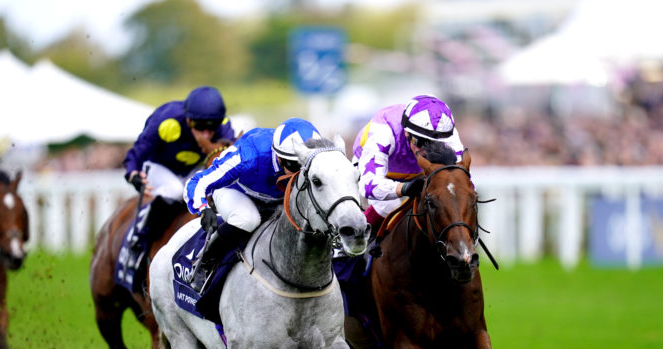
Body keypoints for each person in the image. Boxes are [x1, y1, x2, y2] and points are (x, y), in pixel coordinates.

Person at [185, 117, 321, 291]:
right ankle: (204, 265)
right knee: (248, 219)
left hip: (277, 197)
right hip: (236, 191)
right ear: (279, 159)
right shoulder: (248, 156)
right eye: (295, 166)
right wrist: (203, 209)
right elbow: (197, 182)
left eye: (306, 166)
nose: (301, 173)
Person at [122, 85, 236, 261]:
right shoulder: (166, 121)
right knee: (175, 190)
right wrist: (132, 173)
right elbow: (139, 151)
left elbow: (232, 154)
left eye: (212, 127)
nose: (206, 134)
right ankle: (141, 237)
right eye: (200, 126)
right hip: (159, 166)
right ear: (189, 120)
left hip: (191, 169)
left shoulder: (223, 125)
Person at [352, 94, 465, 233]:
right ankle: (349, 244)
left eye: (433, 144)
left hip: (415, 174)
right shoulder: (384, 131)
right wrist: (404, 188)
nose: (424, 151)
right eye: (420, 142)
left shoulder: (447, 135)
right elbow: (368, 185)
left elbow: (464, 181)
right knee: (388, 206)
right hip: (376, 169)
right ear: (406, 133)